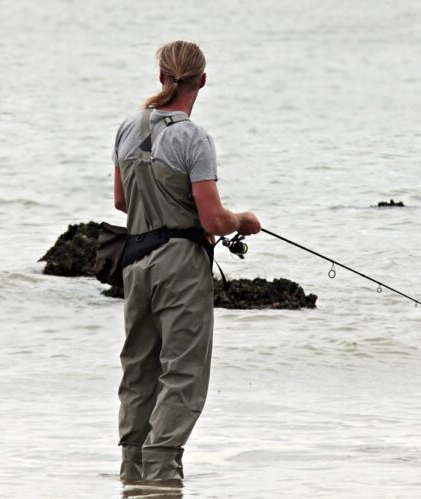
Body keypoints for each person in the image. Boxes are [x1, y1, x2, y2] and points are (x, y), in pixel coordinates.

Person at [111, 40, 261, 483]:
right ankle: (161, 473)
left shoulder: (126, 127)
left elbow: (122, 202)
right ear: (203, 81)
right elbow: (214, 218)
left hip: (134, 262)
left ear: (162, 77)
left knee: (138, 369)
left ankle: (132, 474)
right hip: (180, 264)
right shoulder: (193, 137)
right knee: (183, 372)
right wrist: (245, 222)